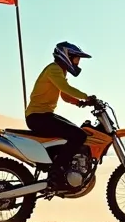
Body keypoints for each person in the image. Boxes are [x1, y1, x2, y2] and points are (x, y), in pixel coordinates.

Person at [25, 41, 95, 185]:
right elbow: (66, 88)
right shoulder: (54, 69)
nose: (78, 62)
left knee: (77, 132)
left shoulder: (59, 71)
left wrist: (80, 103)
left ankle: (62, 166)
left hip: (43, 115)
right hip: (38, 117)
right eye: (76, 58)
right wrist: (87, 97)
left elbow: (64, 94)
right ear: (67, 56)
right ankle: (57, 170)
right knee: (79, 135)